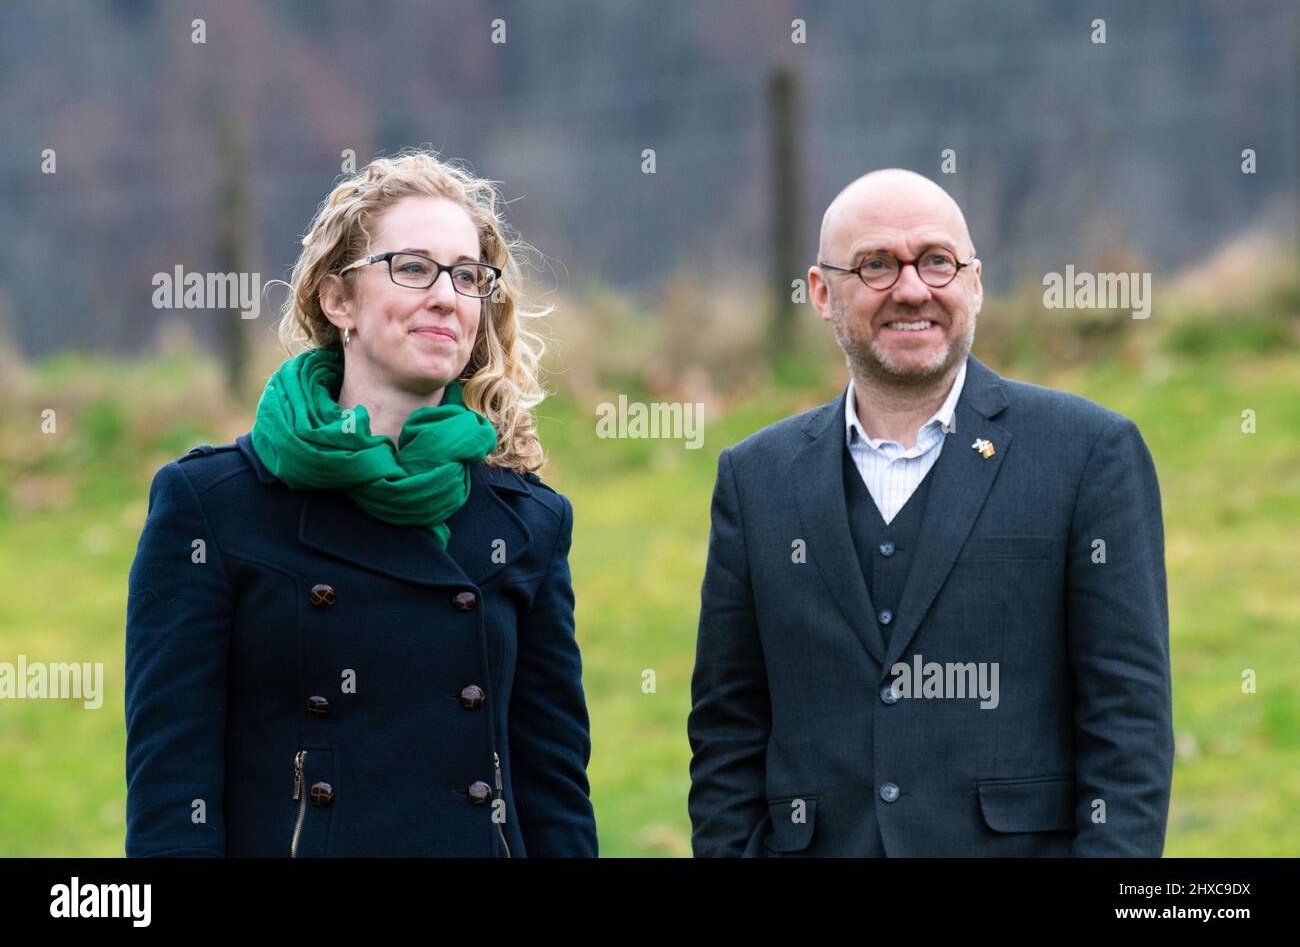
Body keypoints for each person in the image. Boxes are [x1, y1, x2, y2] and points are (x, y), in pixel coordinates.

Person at [687, 168, 1173, 856]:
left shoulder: (1090, 454)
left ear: (974, 281)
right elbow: (727, 729)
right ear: (823, 293)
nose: (912, 288)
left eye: (936, 261)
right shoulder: (754, 479)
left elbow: (1129, 725)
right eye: (876, 265)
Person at [125, 151, 597, 857]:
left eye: (468, 277)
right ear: (337, 299)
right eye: (412, 268)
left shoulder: (526, 522)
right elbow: (172, 796)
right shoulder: (212, 508)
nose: (447, 296)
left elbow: (553, 791)